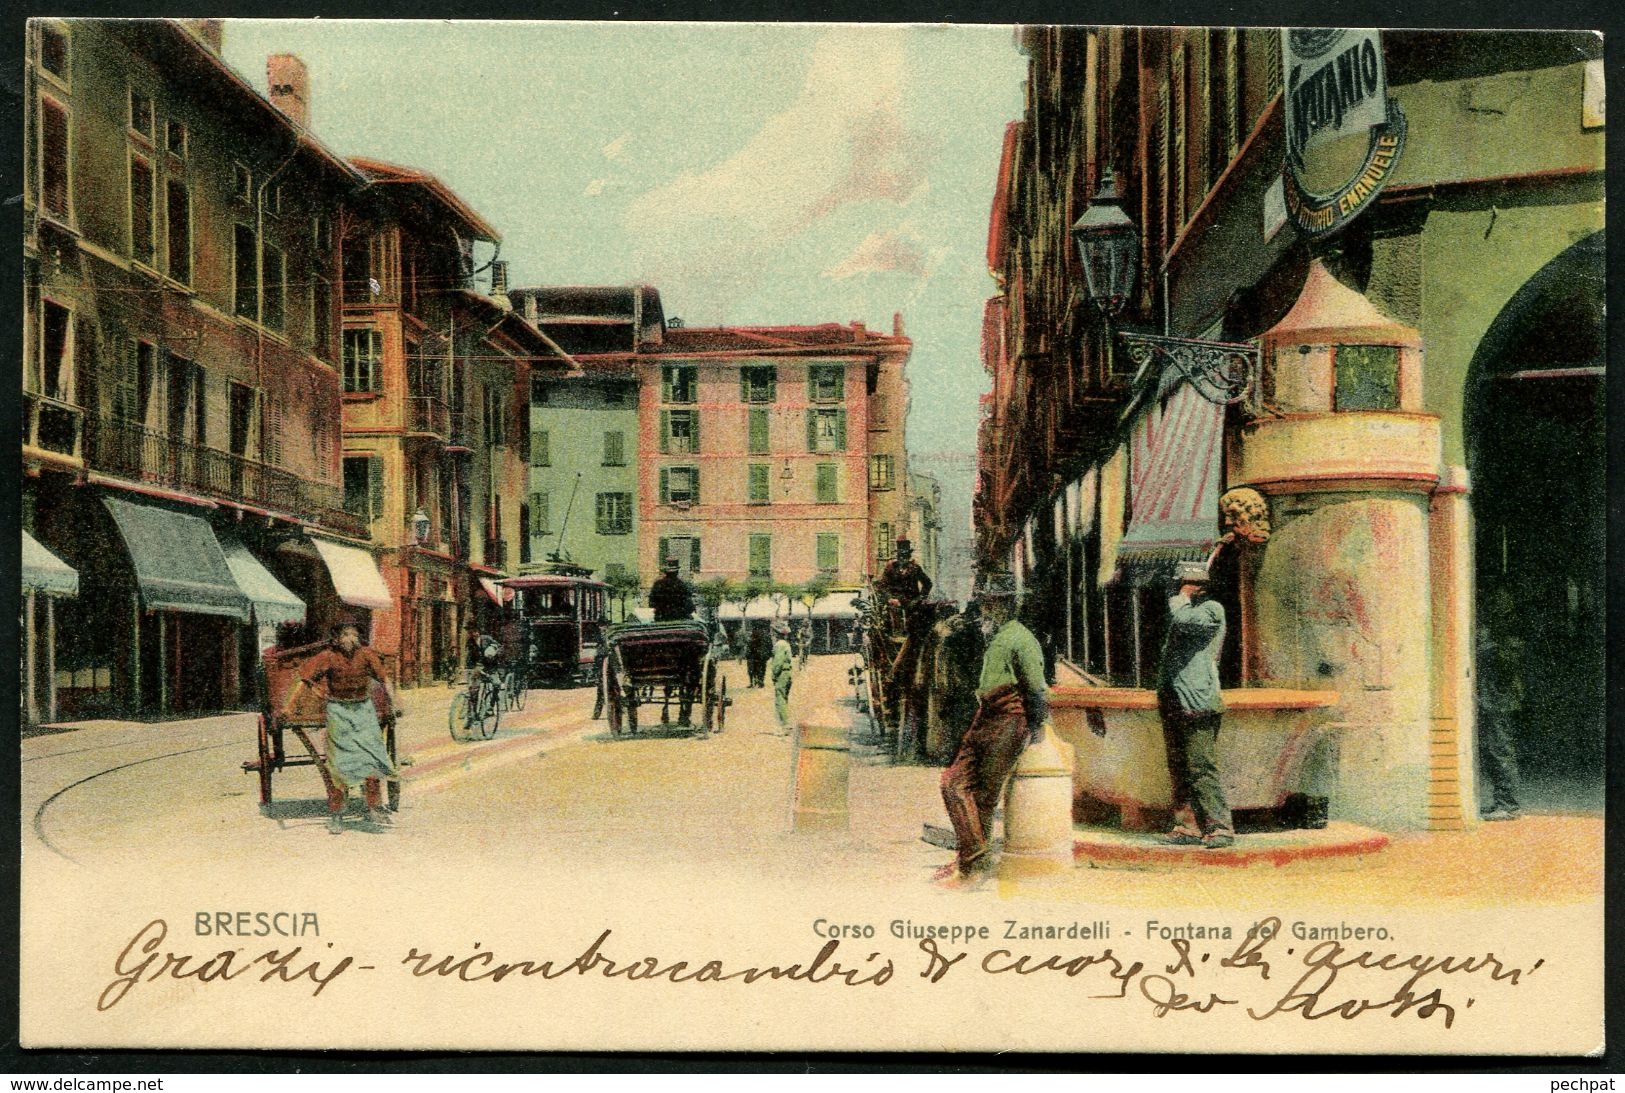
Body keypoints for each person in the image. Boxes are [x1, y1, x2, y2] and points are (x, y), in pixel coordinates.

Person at [940, 572, 1049, 883]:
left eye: (992, 602)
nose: (985, 607)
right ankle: (973, 860)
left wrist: (1037, 727)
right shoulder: (998, 636)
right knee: (954, 784)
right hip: (987, 715)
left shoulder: (1021, 637)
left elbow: (1036, 688)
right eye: (985, 600)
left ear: (1006, 605)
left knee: (982, 796)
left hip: (1008, 718)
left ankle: (972, 866)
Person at [282, 619, 397, 834]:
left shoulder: (367, 655)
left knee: (371, 758)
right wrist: (289, 707)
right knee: (338, 764)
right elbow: (304, 679)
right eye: (345, 635)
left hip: (364, 710)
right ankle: (337, 814)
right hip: (338, 711)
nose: (349, 639)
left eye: (353, 635)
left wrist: (394, 702)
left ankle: (373, 807)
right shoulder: (327, 656)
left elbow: (384, 680)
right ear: (336, 639)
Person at [1157, 562, 1232, 849]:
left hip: (1198, 699)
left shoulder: (1211, 610)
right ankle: (1187, 825)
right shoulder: (1184, 610)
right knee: (1178, 766)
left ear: (1197, 587)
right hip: (1174, 699)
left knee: (1202, 766)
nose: (1177, 590)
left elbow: (1185, 622)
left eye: (1183, 584)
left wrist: (1182, 597)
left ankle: (1220, 827)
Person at [1477, 587, 1525, 821]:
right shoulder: (1500, 634)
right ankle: (1501, 801)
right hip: (1493, 701)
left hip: (1501, 702)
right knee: (1493, 752)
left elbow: (1507, 665)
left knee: (1501, 752)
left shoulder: (1510, 634)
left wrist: (1487, 647)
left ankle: (1509, 805)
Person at [648, 558, 695, 622]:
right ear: (677, 572)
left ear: (665, 572)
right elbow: (690, 607)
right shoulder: (683, 585)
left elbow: (651, 603)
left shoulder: (658, 584)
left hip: (661, 619)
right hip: (680, 619)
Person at [769, 619, 795, 734]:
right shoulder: (786, 644)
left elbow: (777, 663)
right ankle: (785, 724)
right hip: (788, 673)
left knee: (780, 700)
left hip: (781, 674)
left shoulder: (779, 645)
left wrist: (774, 675)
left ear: (776, 633)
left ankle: (785, 726)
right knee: (784, 699)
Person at [746, 623, 772, 688]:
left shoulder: (755, 633)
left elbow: (750, 644)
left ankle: (754, 682)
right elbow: (770, 646)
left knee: (753, 669)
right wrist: (768, 654)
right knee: (761, 669)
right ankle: (760, 682)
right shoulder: (767, 635)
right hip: (761, 655)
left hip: (754, 655)